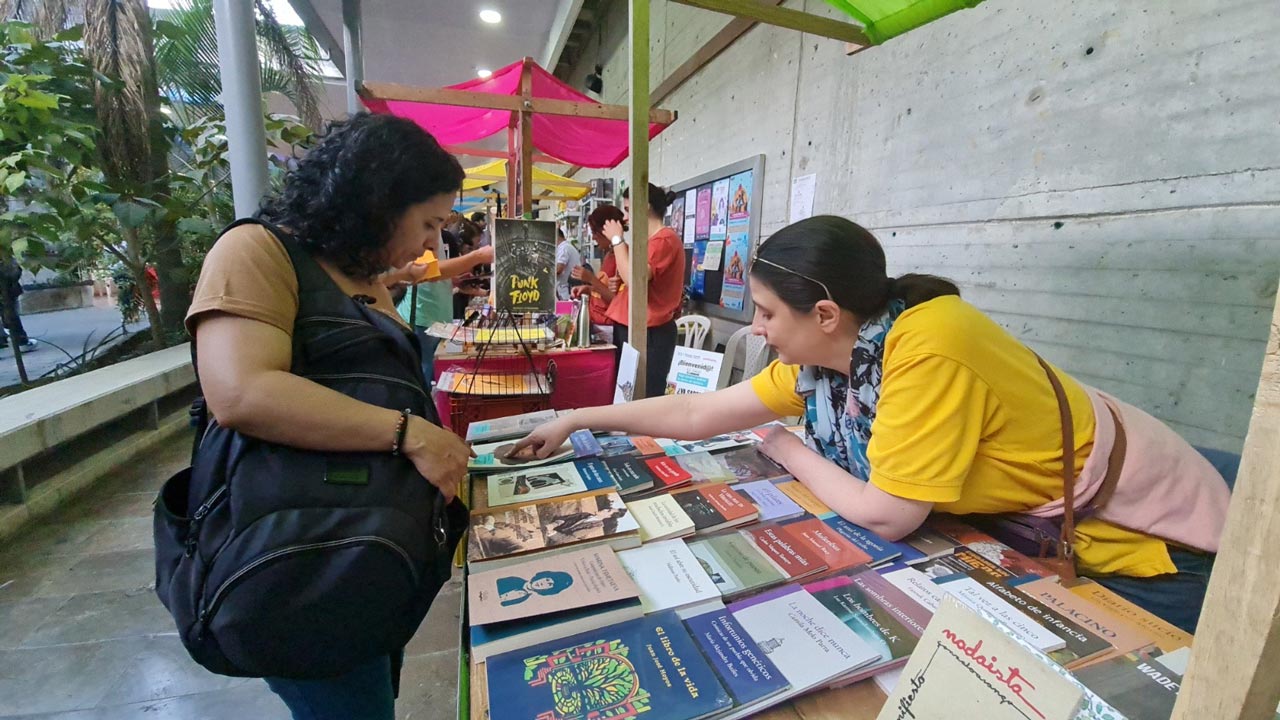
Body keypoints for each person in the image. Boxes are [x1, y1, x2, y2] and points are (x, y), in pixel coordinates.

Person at [517, 215, 1231, 633]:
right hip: (1033, 520)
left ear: (824, 314)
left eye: (767, 313)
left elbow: (888, 515)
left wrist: (781, 446)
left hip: (1145, 536)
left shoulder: (929, 344)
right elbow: (699, 410)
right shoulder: (832, 361)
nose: (758, 332)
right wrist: (578, 415)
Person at [185, 113, 475, 719]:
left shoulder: (360, 274)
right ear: (377, 199)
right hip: (301, 553)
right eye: (426, 223)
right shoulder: (256, 251)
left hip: (364, 544)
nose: (427, 243)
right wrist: (407, 432)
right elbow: (241, 392)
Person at [601, 184, 686, 398]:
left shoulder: (664, 240)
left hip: (650, 333)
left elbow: (634, 279)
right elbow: (634, 281)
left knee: (642, 396)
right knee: (628, 395)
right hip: (636, 328)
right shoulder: (651, 242)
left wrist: (617, 239)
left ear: (645, 207)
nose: (627, 218)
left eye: (629, 210)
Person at [390, 227, 493, 386]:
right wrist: (477, 256)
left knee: (432, 372)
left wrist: (452, 280)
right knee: (425, 372)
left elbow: (432, 272)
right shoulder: (422, 228)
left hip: (437, 315)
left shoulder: (434, 230)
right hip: (422, 315)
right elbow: (425, 272)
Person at [572, 205, 624, 343]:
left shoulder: (622, 258)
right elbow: (603, 290)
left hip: (609, 328)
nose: (593, 237)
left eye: (595, 232)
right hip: (598, 324)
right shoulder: (609, 255)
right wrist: (588, 289)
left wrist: (591, 279)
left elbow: (616, 301)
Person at [0, 256, 36, 352]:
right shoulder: (4, 252)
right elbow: (14, 272)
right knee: (11, 314)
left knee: (9, 314)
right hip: (7, 290)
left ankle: (6, 340)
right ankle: (20, 341)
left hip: (7, 289)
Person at [554, 228, 582, 301]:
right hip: (567, 289)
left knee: (565, 311)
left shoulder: (564, 248)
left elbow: (558, 269)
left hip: (566, 290)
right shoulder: (566, 247)